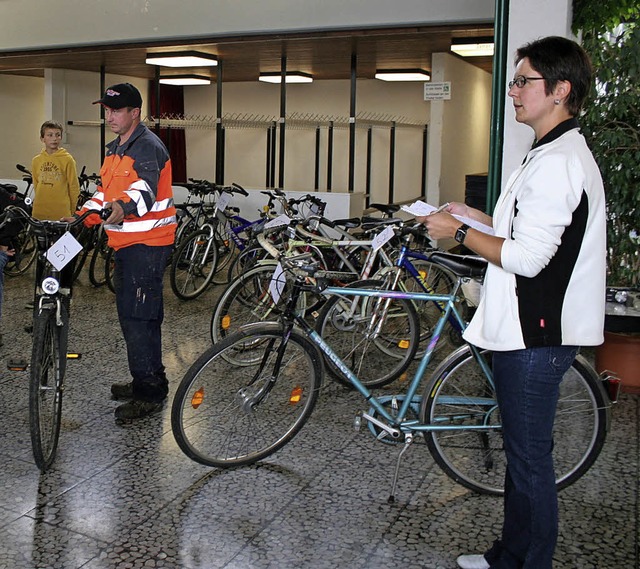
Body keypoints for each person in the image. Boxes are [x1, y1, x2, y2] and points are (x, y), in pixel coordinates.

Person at [418, 36, 606, 569]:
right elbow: (528, 235)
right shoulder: (550, 151)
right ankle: (508, 555)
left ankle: (527, 563)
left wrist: (456, 234)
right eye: (514, 80)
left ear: (560, 90)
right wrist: (478, 222)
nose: (513, 91)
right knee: (522, 455)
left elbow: (526, 259)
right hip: (529, 330)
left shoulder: (558, 161)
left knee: (528, 461)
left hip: (536, 334)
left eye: (524, 80)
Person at [74, 83, 176, 423]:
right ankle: (147, 377)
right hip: (126, 246)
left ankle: (149, 393)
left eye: (116, 110)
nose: (110, 115)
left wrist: (122, 207)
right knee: (134, 316)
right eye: (106, 109)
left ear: (135, 113)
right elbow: (105, 193)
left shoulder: (147, 147)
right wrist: (79, 218)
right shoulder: (115, 148)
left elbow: (142, 193)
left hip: (147, 246)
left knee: (140, 318)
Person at [31, 121, 80, 220]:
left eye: (58, 135)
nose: (54, 138)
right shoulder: (36, 161)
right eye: (50, 135)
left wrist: (72, 211)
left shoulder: (67, 159)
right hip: (39, 212)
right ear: (42, 138)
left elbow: (74, 187)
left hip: (61, 213)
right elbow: (36, 185)